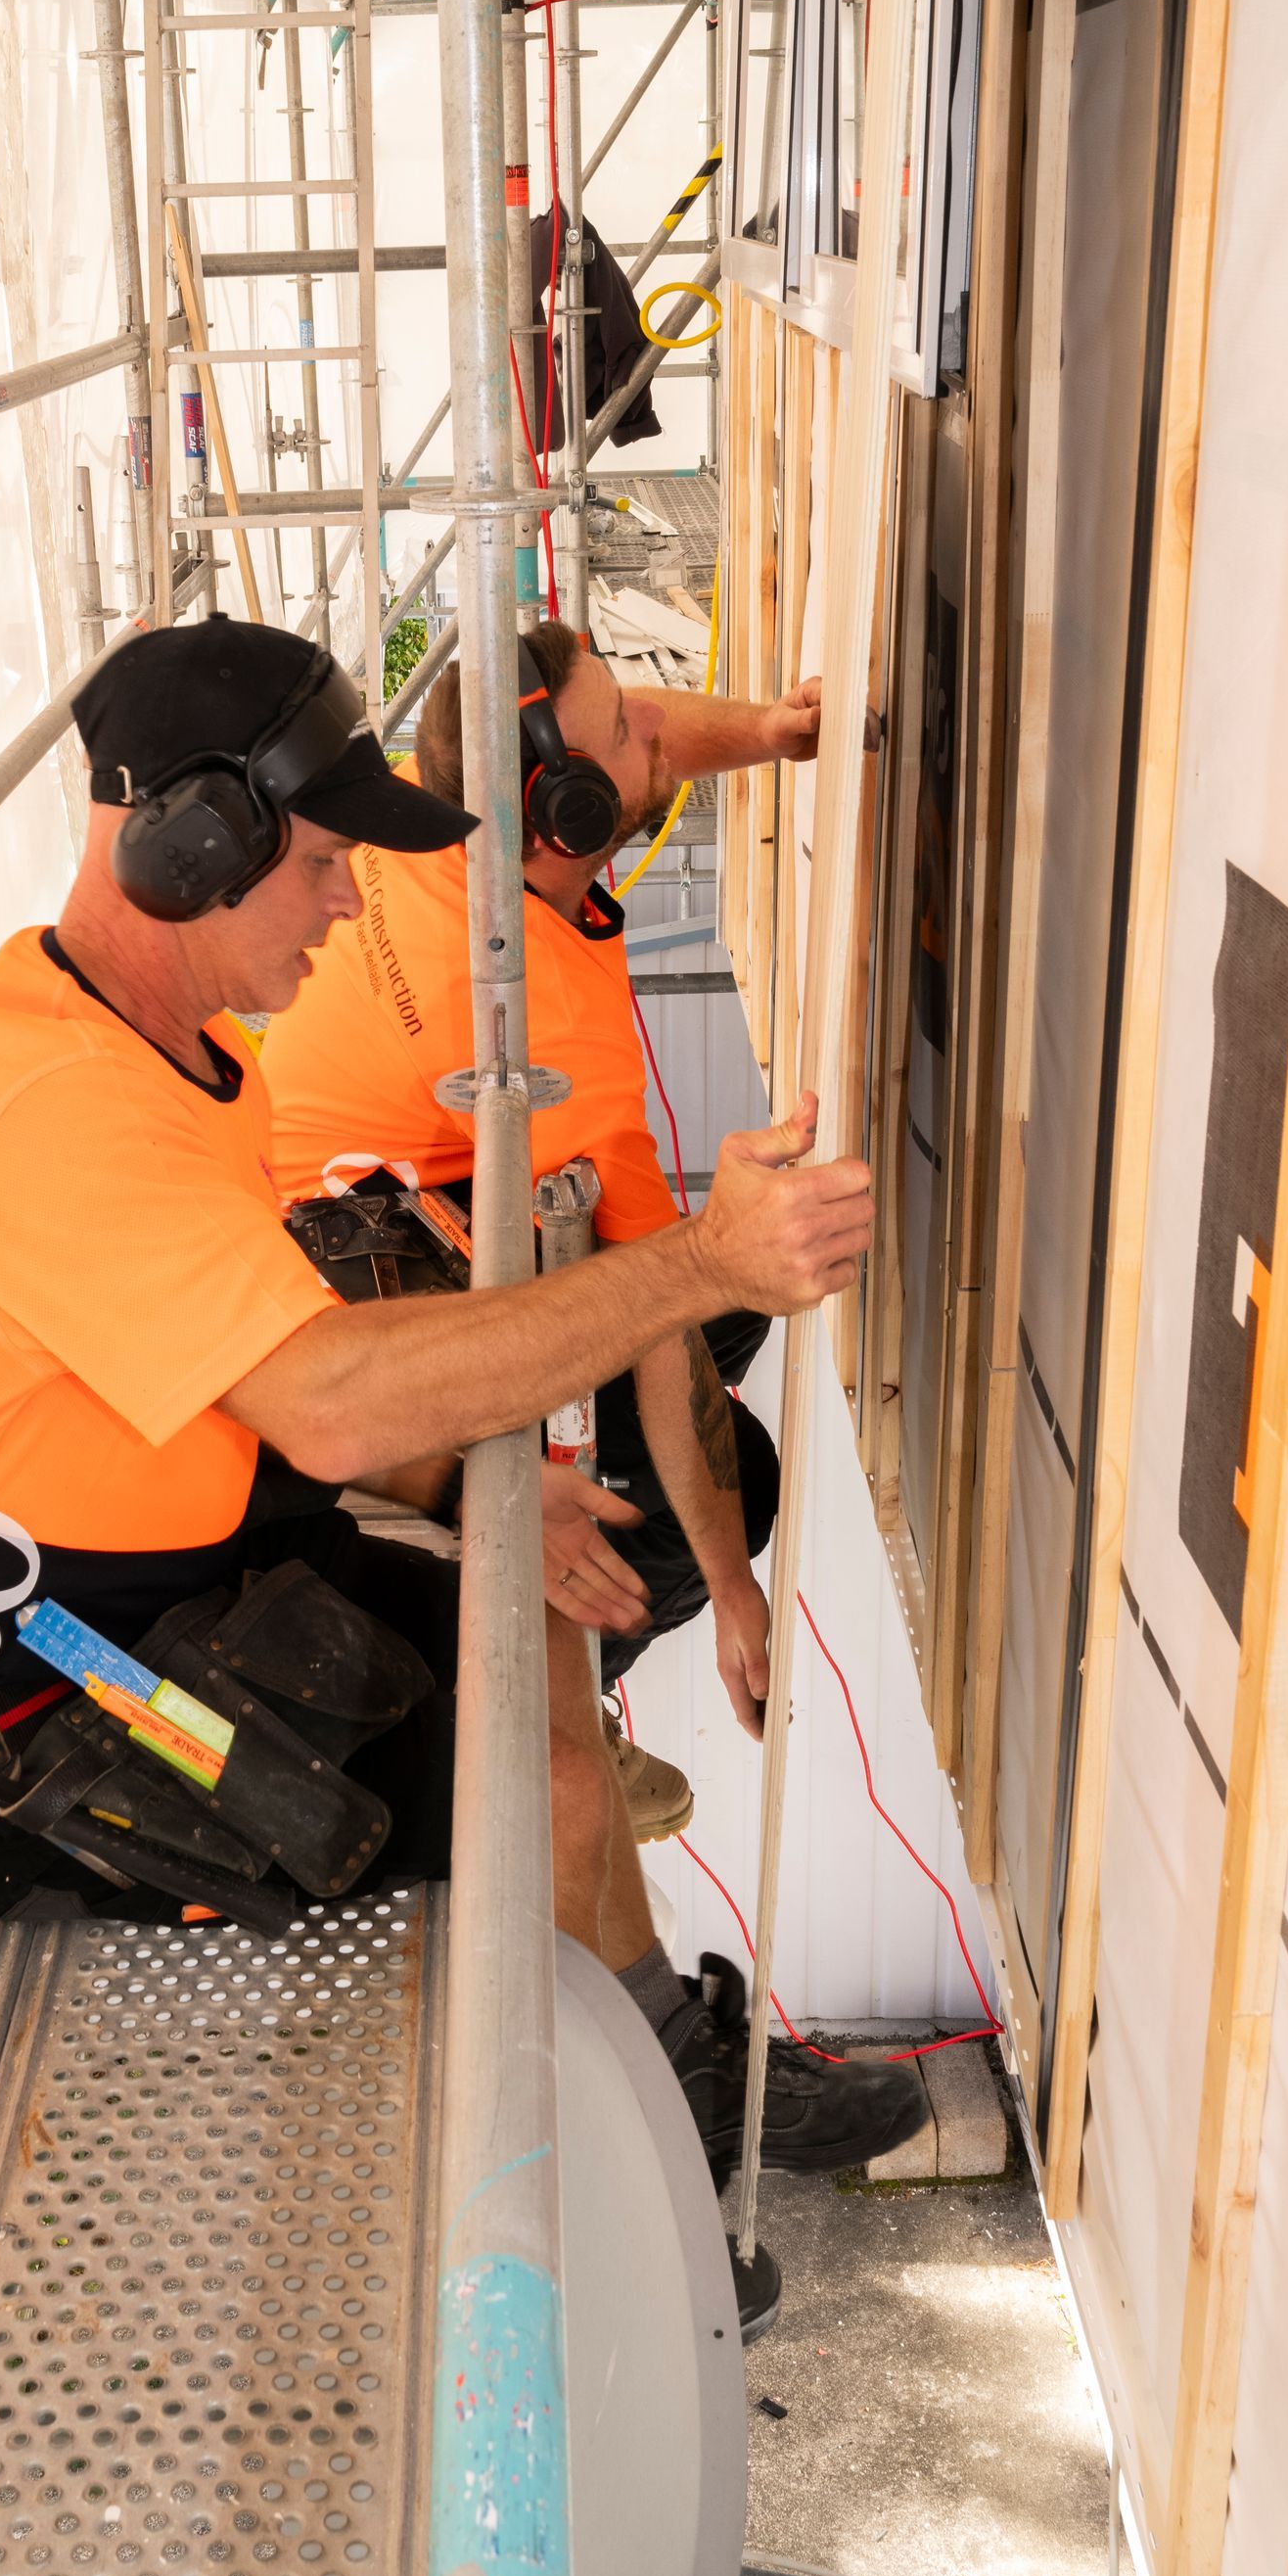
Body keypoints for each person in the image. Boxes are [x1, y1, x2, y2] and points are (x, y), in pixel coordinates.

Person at [0, 616, 925, 2252]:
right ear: (189, 844)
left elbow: (277, 1394)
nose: (341, 904)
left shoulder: (186, 1058)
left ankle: (661, 2081)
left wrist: (475, 1471)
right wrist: (707, 1263)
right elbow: (320, 1396)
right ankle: (645, 2177)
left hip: (138, 1569)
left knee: (537, 1671)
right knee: (529, 1784)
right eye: (319, 863)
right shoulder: (46, 1108)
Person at [258, 617, 828, 1838]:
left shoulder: (422, 820)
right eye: (618, 732)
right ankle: (563, 1697)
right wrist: (735, 1596)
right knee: (728, 1477)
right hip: (356, 1287)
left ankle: (590, 1589)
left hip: (365, 1195)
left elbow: (660, 738)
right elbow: (659, 1307)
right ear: (568, 815)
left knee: (732, 1314)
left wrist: (781, 732)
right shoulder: (554, 1038)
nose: (651, 731)